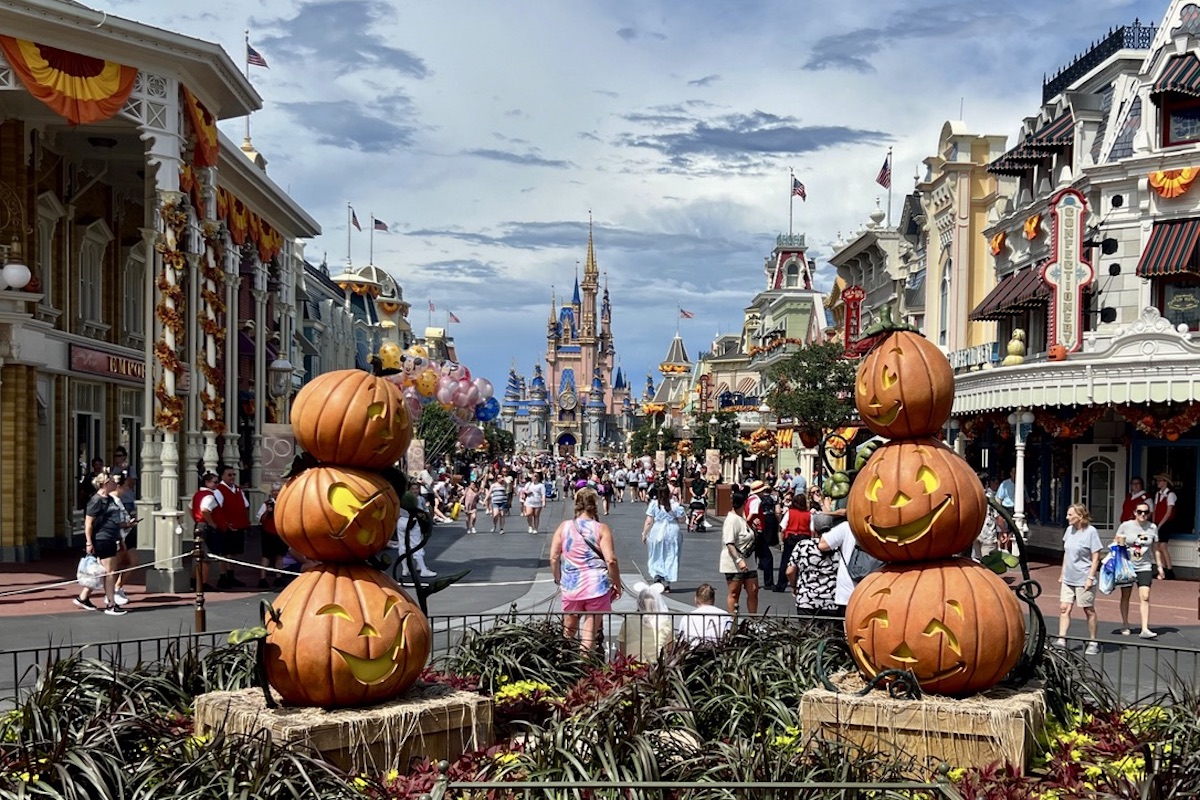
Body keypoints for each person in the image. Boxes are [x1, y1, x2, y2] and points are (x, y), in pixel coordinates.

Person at [549, 487, 621, 652]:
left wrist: (558, 578)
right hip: (596, 585)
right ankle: (585, 669)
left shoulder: (564, 527)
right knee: (588, 636)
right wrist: (617, 583)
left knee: (568, 632)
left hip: (572, 584)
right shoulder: (601, 529)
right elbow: (610, 560)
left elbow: (553, 557)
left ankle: (564, 664)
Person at [73, 471, 133, 615]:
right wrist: (88, 542)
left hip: (111, 537)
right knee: (110, 572)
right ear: (105, 484)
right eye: (112, 481)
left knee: (106, 571)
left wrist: (124, 528)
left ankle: (85, 598)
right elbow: (89, 523)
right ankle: (111, 604)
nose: (115, 484)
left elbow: (113, 522)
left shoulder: (111, 500)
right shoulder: (96, 500)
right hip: (102, 538)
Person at [1114, 501, 1166, 639]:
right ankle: (1125, 624)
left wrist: (1159, 566)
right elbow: (1116, 542)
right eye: (1140, 512)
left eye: (1146, 512)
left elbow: (1155, 548)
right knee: (1126, 595)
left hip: (1145, 565)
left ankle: (1144, 628)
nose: (1143, 515)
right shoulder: (1126, 525)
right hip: (1127, 565)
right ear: (1134, 513)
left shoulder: (1152, 527)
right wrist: (1121, 545)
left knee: (1145, 596)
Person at [1056, 503, 1103, 654]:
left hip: (1083, 577)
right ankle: (1062, 638)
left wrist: (1090, 577)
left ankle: (1093, 641)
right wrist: (1062, 573)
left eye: (1070, 515)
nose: (1067, 517)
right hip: (1069, 577)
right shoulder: (1069, 530)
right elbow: (1066, 553)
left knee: (1088, 609)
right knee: (1064, 608)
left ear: (1080, 516)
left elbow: (1096, 557)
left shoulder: (1091, 532)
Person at [789, 509, 838, 618]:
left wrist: (793, 585)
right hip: (831, 600)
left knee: (806, 633)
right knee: (830, 634)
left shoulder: (803, 545)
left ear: (814, 529)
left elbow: (790, 571)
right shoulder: (838, 547)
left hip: (807, 600)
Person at [720, 489, 759, 615]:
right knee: (734, 592)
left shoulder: (742, 518)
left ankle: (754, 620)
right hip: (735, 563)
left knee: (753, 590)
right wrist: (739, 560)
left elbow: (748, 536)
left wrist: (753, 527)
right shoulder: (731, 520)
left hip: (749, 560)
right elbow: (729, 543)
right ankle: (733, 621)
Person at [642, 483, 685, 592]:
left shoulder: (654, 504)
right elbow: (682, 520)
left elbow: (649, 521)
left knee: (656, 553)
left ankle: (657, 573)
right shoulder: (675, 505)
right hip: (672, 530)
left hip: (657, 529)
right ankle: (668, 581)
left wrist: (644, 533)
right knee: (671, 554)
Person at [617, 581, 674, 661]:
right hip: (656, 664)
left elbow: (622, 647)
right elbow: (670, 649)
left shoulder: (629, 620)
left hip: (632, 664)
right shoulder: (665, 622)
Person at [214, 465, 250, 589]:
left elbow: (245, 505)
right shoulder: (219, 490)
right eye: (229, 475)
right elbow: (217, 509)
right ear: (222, 476)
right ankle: (222, 577)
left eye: (234, 474)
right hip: (226, 527)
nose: (232, 477)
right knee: (224, 553)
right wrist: (224, 523)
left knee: (233, 553)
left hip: (238, 526)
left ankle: (231, 576)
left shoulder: (238, 490)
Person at [817, 520, 860, 616]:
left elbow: (822, 545)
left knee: (849, 626)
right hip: (877, 588)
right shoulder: (886, 528)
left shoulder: (847, 527)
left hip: (848, 590)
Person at [189, 471, 221, 591]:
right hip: (205, 526)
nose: (217, 485)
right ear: (207, 482)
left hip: (198, 524)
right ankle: (203, 582)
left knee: (197, 554)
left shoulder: (197, 494)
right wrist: (212, 523)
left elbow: (190, 508)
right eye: (215, 482)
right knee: (205, 556)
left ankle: (194, 581)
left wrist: (196, 520)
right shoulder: (209, 496)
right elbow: (205, 510)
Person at [744, 481, 777, 587]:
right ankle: (768, 582)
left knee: (752, 556)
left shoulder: (749, 499)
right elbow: (752, 514)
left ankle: (747, 581)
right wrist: (748, 523)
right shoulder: (756, 500)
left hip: (752, 530)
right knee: (767, 557)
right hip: (757, 530)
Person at [776, 493, 811, 593]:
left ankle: (781, 585)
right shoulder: (808, 514)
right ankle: (801, 584)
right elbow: (812, 529)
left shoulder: (789, 512)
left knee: (786, 561)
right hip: (804, 538)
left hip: (791, 538)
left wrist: (783, 539)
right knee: (803, 562)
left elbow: (783, 527)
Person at [256, 483, 288, 589]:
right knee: (266, 556)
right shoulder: (266, 504)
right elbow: (260, 519)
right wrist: (267, 512)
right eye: (274, 491)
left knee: (280, 556)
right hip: (268, 533)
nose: (276, 493)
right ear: (271, 492)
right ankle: (262, 578)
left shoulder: (285, 504)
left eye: (278, 491)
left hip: (280, 533)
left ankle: (278, 577)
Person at [1151, 473, 1178, 579]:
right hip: (1157, 522)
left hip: (1166, 523)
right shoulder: (1158, 494)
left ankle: (1170, 570)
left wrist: (1161, 524)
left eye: (1160, 481)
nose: (1158, 483)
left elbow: (1169, 511)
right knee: (1156, 546)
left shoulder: (1170, 494)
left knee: (1163, 546)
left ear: (1166, 482)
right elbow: (1155, 509)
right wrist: (1154, 523)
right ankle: (1161, 569)